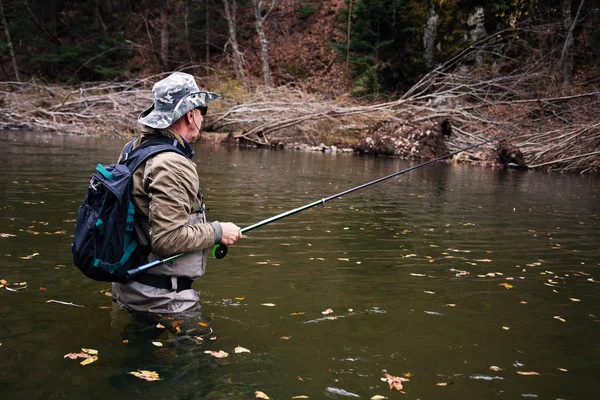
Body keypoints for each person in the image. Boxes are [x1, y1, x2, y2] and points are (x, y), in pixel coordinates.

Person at [112, 72, 242, 315]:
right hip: (163, 301)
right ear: (190, 115)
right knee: (199, 353)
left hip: (130, 287)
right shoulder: (171, 163)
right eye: (202, 111)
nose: (203, 119)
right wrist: (218, 231)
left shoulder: (134, 148)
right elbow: (167, 240)